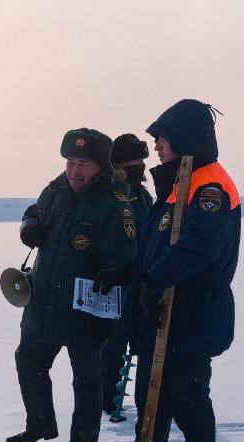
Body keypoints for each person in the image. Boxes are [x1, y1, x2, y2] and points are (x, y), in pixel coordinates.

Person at [88, 99, 241, 442]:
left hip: (190, 319)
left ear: (183, 140)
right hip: (161, 317)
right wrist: (130, 274)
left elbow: (198, 248)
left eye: (162, 138)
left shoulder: (209, 187)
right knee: (150, 407)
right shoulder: (178, 185)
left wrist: (157, 281)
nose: (156, 146)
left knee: (192, 411)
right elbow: (159, 250)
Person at [7, 128, 137, 442]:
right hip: (44, 301)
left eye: (83, 164)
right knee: (29, 360)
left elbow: (126, 255)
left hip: (85, 309)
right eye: (70, 161)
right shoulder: (55, 190)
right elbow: (32, 212)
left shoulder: (113, 205)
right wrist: (28, 228)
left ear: (100, 167)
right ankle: (40, 423)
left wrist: (114, 272)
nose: (74, 171)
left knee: (87, 380)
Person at [99, 134, 154, 419]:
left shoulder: (143, 196)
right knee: (111, 349)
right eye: (134, 162)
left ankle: (147, 403)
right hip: (112, 286)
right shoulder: (107, 196)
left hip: (141, 284)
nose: (140, 167)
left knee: (145, 346)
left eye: (142, 161)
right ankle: (106, 401)